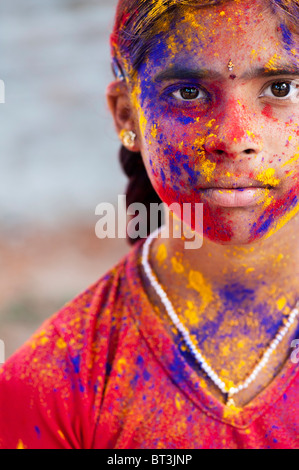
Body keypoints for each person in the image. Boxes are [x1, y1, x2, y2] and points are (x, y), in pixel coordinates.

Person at [0, 0, 298, 449]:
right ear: (127, 116)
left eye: (280, 88)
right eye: (189, 93)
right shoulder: (49, 385)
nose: (236, 140)